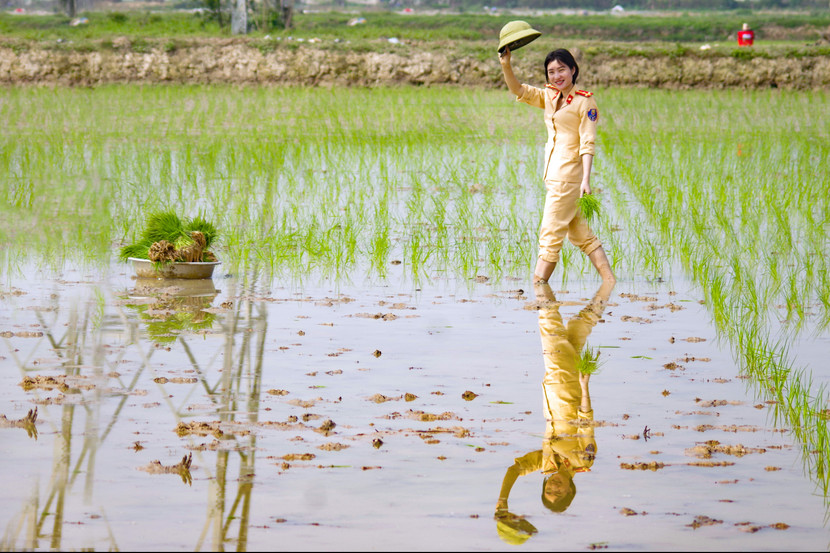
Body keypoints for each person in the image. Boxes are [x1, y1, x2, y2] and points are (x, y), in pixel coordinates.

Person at [494, 281, 614, 542]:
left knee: (579, 328)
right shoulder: (584, 460)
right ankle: (541, 276)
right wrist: (584, 386)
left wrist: (502, 501)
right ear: (571, 490)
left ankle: (607, 284)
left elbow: (514, 469)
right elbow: (586, 422)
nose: (554, 488)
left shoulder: (546, 462)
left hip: (552, 385)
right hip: (567, 383)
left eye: (549, 491)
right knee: (549, 326)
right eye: (559, 493)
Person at [499, 46, 615, 285]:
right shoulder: (550, 96)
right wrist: (506, 64)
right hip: (554, 175)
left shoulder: (585, 102)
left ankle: (538, 287)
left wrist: (586, 180)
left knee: (549, 234)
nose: (557, 76)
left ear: (573, 70)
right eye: (551, 72)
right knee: (580, 233)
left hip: (568, 178)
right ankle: (609, 282)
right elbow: (518, 90)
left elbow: (588, 143)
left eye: (562, 70)